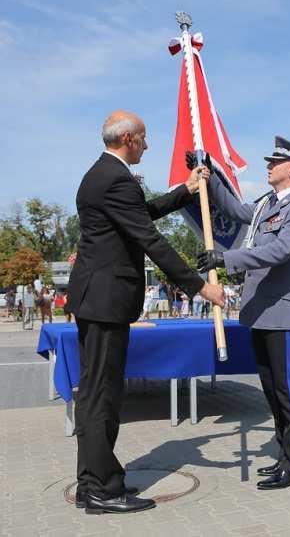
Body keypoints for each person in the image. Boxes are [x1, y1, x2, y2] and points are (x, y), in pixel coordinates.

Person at [66, 110, 225, 514]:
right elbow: (149, 238)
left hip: (96, 300)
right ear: (129, 139)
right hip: (105, 301)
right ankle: (102, 489)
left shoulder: (103, 175)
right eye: (144, 138)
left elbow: (141, 215)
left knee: (95, 394)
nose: (148, 145)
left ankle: (92, 483)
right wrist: (199, 285)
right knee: (102, 396)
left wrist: (186, 190)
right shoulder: (114, 178)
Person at [194, 136, 290, 487]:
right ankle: (283, 454)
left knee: (288, 391)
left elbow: (279, 251)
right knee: (271, 391)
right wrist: (210, 174)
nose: (268, 166)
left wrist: (226, 258)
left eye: (274, 162)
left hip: (283, 312)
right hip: (260, 312)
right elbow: (234, 210)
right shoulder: (267, 204)